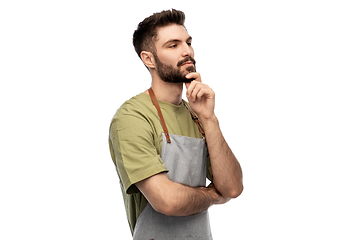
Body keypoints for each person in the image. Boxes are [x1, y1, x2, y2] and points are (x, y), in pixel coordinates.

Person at [108, 9, 243, 239]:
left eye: (188, 42)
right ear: (148, 58)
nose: (187, 51)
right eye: (173, 45)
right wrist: (214, 196)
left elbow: (232, 187)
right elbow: (167, 201)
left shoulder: (197, 114)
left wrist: (209, 119)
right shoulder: (132, 117)